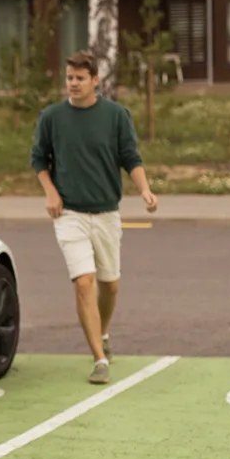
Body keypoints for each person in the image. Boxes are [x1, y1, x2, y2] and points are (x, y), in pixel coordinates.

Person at [29, 50, 157, 385]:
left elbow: (130, 157)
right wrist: (51, 192)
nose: (72, 83)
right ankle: (99, 358)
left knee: (109, 285)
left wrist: (144, 190)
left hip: (106, 213)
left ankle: (103, 332)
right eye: (69, 77)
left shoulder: (116, 115)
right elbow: (39, 159)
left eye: (79, 78)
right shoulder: (52, 117)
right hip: (69, 213)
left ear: (95, 81)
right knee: (83, 282)